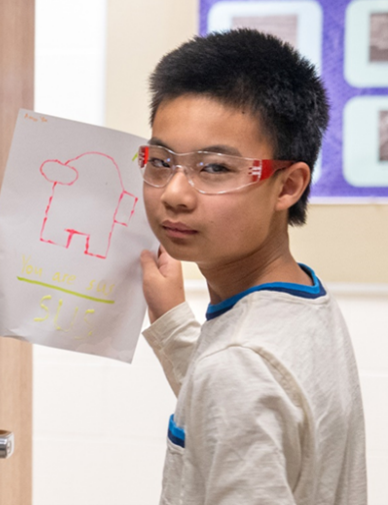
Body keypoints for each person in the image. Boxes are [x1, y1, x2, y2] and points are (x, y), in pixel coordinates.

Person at [137, 29, 367, 504]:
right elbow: (234, 405)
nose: (174, 193)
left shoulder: (241, 367)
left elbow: (237, 387)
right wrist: (170, 320)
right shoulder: (303, 296)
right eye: (160, 161)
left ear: (288, 186)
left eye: (214, 168)